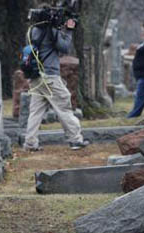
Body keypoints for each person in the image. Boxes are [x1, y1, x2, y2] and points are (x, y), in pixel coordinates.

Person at [23, 18, 89, 151]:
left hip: (35, 77)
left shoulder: (32, 30)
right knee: (64, 107)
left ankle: (30, 143)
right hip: (50, 76)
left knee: (36, 112)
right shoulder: (52, 31)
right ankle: (75, 139)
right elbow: (64, 47)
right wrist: (69, 31)